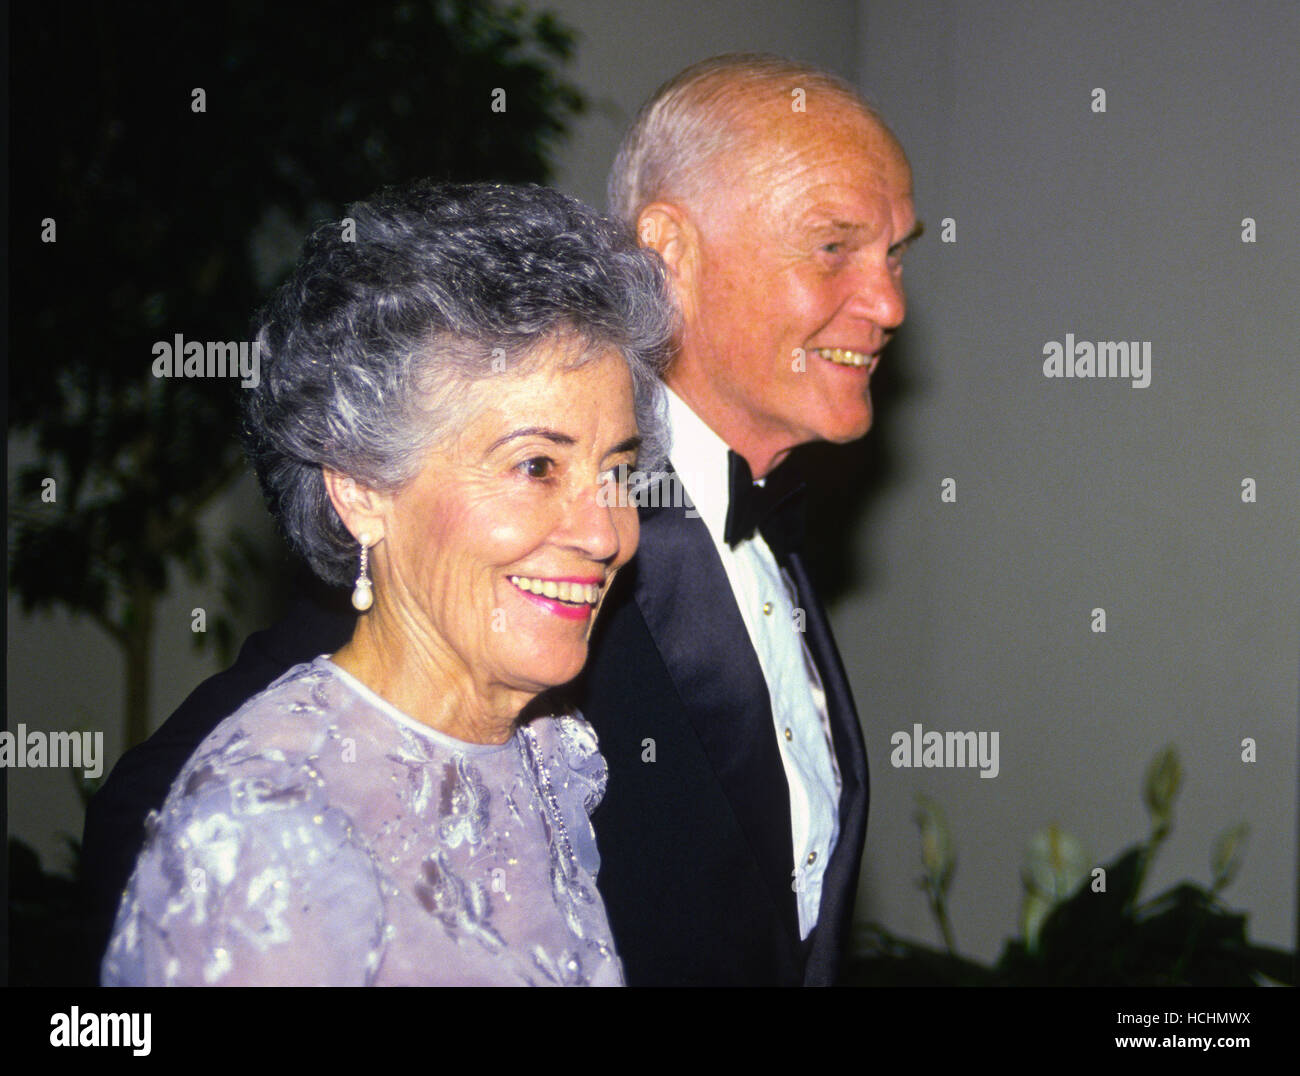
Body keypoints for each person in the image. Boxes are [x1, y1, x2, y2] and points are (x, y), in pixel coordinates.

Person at [85, 53, 919, 986]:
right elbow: (164, 830)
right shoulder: (449, 525)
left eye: (896, 254)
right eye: (834, 247)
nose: (888, 303)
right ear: (670, 249)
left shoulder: (719, 573)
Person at [98, 181, 675, 985]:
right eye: (536, 466)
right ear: (362, 489)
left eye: (616, 471)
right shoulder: (272, 828)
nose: (606, 532)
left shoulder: (547, 758)